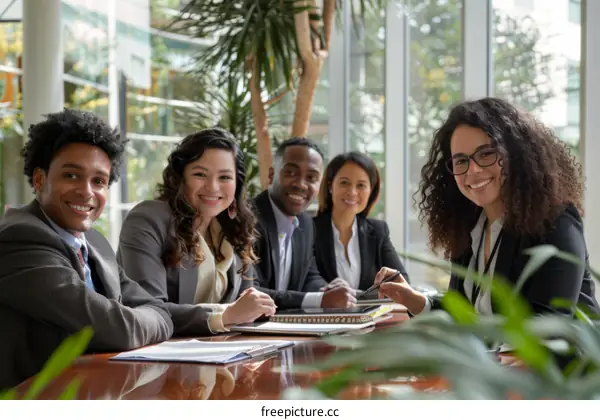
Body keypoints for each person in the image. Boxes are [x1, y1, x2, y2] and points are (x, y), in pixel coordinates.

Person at [375, 97, 600, 316]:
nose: (473, 170)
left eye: (486, 154)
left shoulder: (555, 220)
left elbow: (548, 325)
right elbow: (470, 315)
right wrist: (414, 300)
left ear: (516, 155)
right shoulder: (471, 227)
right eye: (461, 160)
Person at [0, 109, 174, 389]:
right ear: (39, 180)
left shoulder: (94, 241)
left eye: (99, 181)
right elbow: (116, 328)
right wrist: (154, 319)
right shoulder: (20, 238)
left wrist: (158, 316)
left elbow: (153, 307)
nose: (87, 191)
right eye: (71, 176)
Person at [117, 128, 276, 337]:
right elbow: (147, 310)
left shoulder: (234, 229)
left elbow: (243, 305)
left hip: (219, 357)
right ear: (179, 177)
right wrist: (225, 316)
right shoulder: (149, 219)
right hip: (157, 359)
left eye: (225, 177)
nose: (212, 187)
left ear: (237, 184)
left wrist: (258, 307)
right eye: (200, 174)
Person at [251, 137, 356, 309]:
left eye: (311, 178)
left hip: (288, 330)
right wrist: (318, 300)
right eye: (290, 173)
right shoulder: (247, 220)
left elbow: (309, 276)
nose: (301, 184)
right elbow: (249, 291)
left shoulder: (305, 224)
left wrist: (327, 289)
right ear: (271, 175)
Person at [313, 151, 409, 294]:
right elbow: (304, 282)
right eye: (344, 183)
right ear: (330, 186)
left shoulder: (378, 230)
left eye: (361, 185)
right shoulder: (309, 230)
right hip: (323, 315)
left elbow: (402, 281)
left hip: (369, 316)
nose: (352, 192)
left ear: (371, 190)